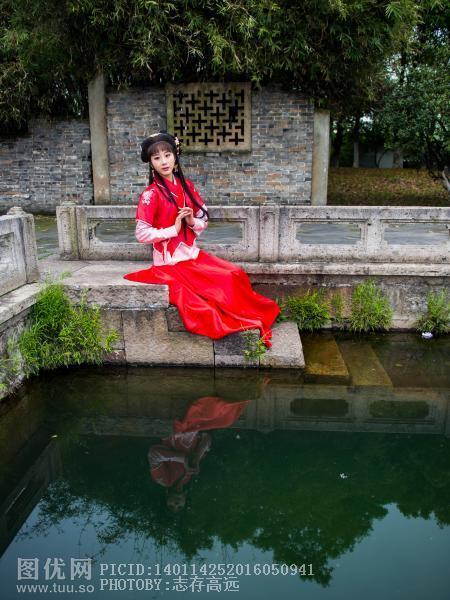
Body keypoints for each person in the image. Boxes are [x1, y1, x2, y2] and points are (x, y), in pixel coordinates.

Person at [123, 131, 280, 347]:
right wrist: (172, 229)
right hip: (170, 265)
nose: (164, 162)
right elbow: (142, 234)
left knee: (234, 274)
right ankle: (243, 321)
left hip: (192, 256)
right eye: (157, 158)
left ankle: (260, 314)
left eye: (167, 155)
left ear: (175, 156)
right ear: (151, 163)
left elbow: (203, 220)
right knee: (213, 296)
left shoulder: (187, 186)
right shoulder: (150, 194)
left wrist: (190, 221)